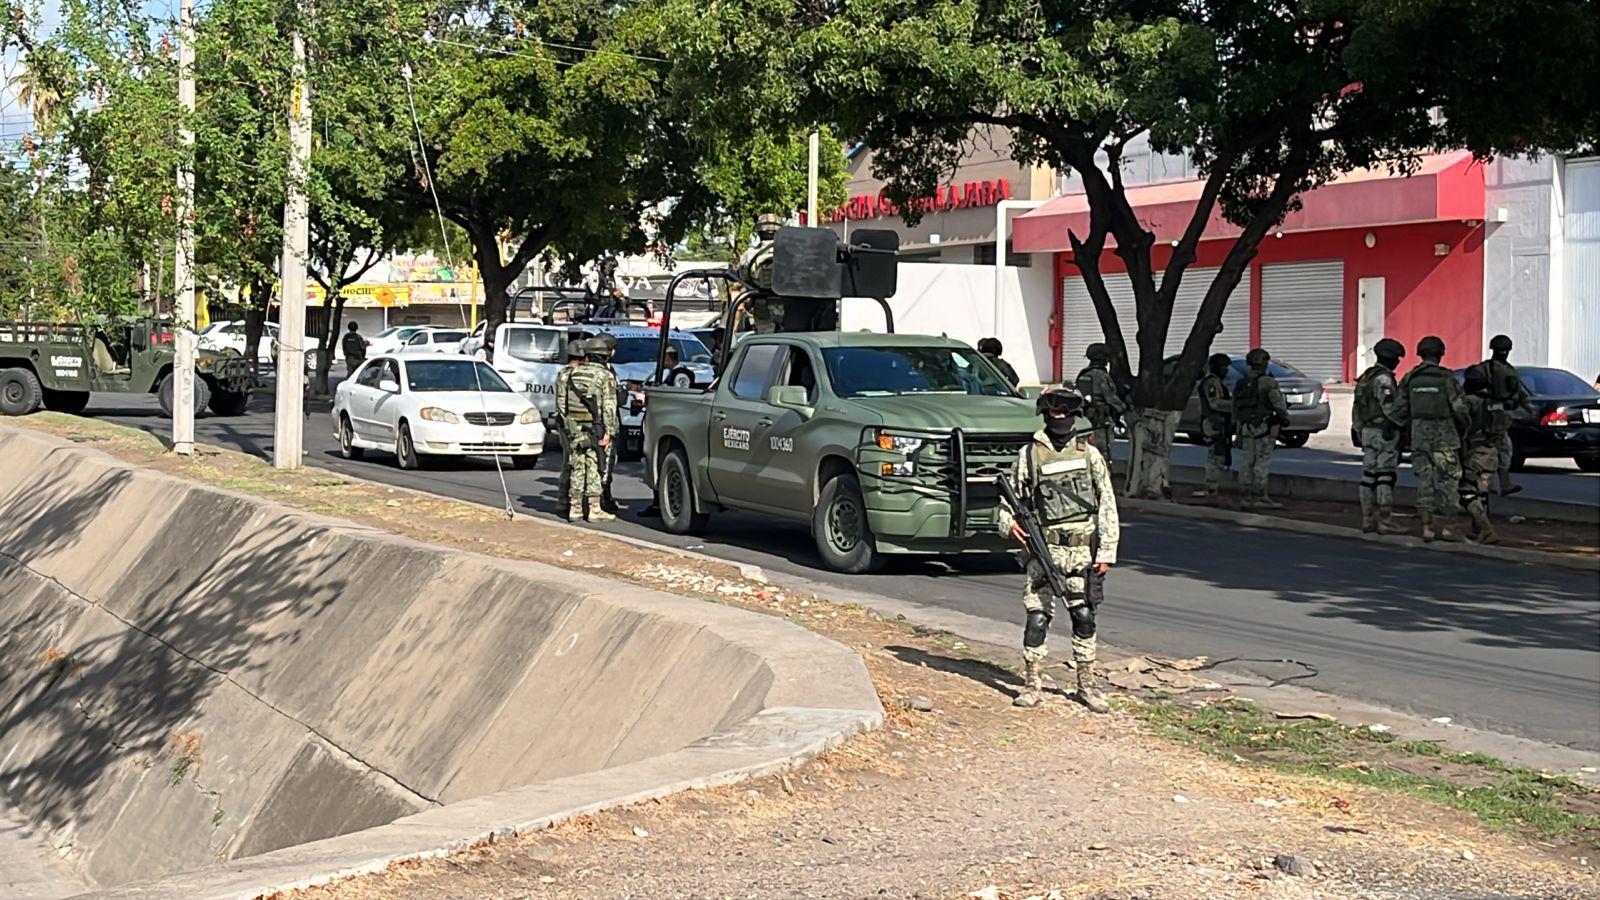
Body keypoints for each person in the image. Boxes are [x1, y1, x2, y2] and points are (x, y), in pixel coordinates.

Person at [997, 388, 1120, 714]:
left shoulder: (1089, 454)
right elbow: (1008, 501)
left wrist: (1106, 551)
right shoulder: (1030, 455)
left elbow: (1107, 503)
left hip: (1081, 551)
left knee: (1083, 616)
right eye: (1055, 413)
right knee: (1037, 618)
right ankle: (1032, 684)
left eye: (1066, 413)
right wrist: (1009, 524)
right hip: (1044, 549)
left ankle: (1087, 684)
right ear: (1046, 415)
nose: (1060, 419)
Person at [1395, 335, 1469, 542]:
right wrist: (1464, 430)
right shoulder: (1447, 379)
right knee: (1450, 481)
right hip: (1444, 436)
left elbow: (1399, 410)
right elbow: (1460, 410)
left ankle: (1427, 527)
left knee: (1424, 481)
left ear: (1420, 354)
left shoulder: (1410, 378)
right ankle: (1449, 527)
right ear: (1441, 354)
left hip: (1419, 436)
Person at [1353, 338, 1408, 534]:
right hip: (1384, 432)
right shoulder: (1384, 379)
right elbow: (1391, 409)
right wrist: (1401, 426)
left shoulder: (1366, 376)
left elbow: (1357, 407)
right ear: (1391, 357)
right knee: (1385, 475)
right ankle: (1385, 520)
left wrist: (1358, 430)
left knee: (1368, 476)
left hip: (1367, 432)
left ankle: (1367, 519)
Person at [1232, 348, 1289, 509]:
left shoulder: (1242, 383)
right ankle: (1260, 496)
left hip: (1245, 427)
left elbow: (1235, 408)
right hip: (1263, 426)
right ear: (1264, 363)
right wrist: (1283, 418)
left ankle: (1245, 496)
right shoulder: (1268, 382)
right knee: (1261, 462)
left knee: (1247, 462)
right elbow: (1279, 405)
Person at [1480, 334, 1533, 496]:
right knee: (1498, 450)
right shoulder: (1486, 369)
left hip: (1500, 416)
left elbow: (1519, 391)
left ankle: (1498, 484)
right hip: (1492, 416)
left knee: (1499, 451)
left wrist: (1528, 409)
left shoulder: (1501, 369)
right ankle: (1492, 484)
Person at [1459, 366, 1502, 545]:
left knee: (1467, 492)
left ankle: (1486, 529)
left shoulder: (1468, 402)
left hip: (1475, 452)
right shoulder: (1496, 402)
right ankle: (1479, 530)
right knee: (1482, 492)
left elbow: (1461, 426)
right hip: (1491, 451)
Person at [584, 334, 624, 515]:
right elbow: (613, 402)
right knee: (604, 463)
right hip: (601, 424)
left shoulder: (579, 371)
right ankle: (598, 502)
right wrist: (609, 430)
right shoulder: (606, 374)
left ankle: (594, 499)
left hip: (582, 424)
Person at [554, 339, 588, 519]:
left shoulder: (563, 373)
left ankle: (562, 499)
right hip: (571, 424)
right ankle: (567, 500)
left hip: (565, 423)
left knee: (568, 462)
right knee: (573, 462)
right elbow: (562, 403)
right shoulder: (571, 374)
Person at [1192, 353, 1233, 501]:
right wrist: (1235, 406)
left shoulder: (1217, 382)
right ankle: (1211, 487)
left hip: (1220, 422)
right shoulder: (1212, 383)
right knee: (1215, 456)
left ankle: (1213, 487)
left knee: (1220, 454)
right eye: (1223, 367)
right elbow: (1214, 403)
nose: (1226, 371)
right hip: (1214, 422)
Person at [1075, 343, 1127, 457]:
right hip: (1101, 423)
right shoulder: (1102, 375)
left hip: (1086, 422)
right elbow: (1110, 398)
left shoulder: (1083, 374)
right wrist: (1125, 408)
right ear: (1103, 359)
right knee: (1102, 455)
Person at [743, 214, 783, 333]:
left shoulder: (748, 256)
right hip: (789, 308)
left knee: (766, 343)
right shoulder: (790, 253)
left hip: (762, 307)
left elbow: (742, 279)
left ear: (759, 232)